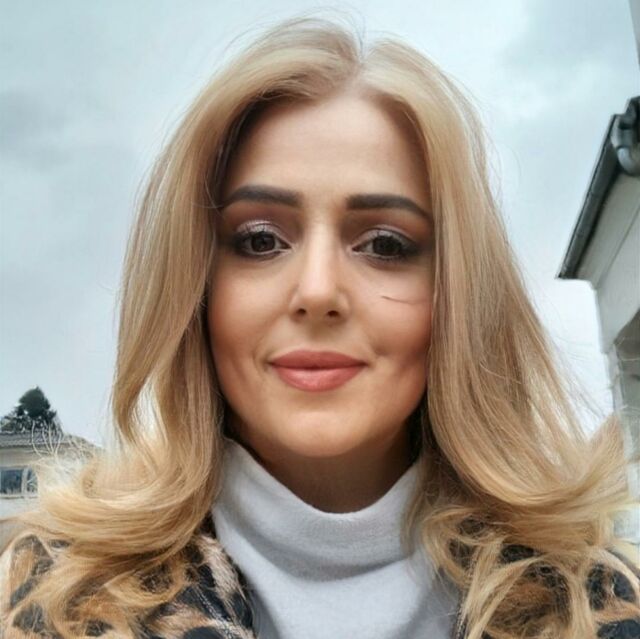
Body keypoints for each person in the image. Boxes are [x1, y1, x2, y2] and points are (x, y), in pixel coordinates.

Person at [1, 15, 639, 639]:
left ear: (458, 294)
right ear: (194, 286)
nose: (316, 292)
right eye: (259, 239)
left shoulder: (602, 606)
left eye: (385, 244)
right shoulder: (51, 604)